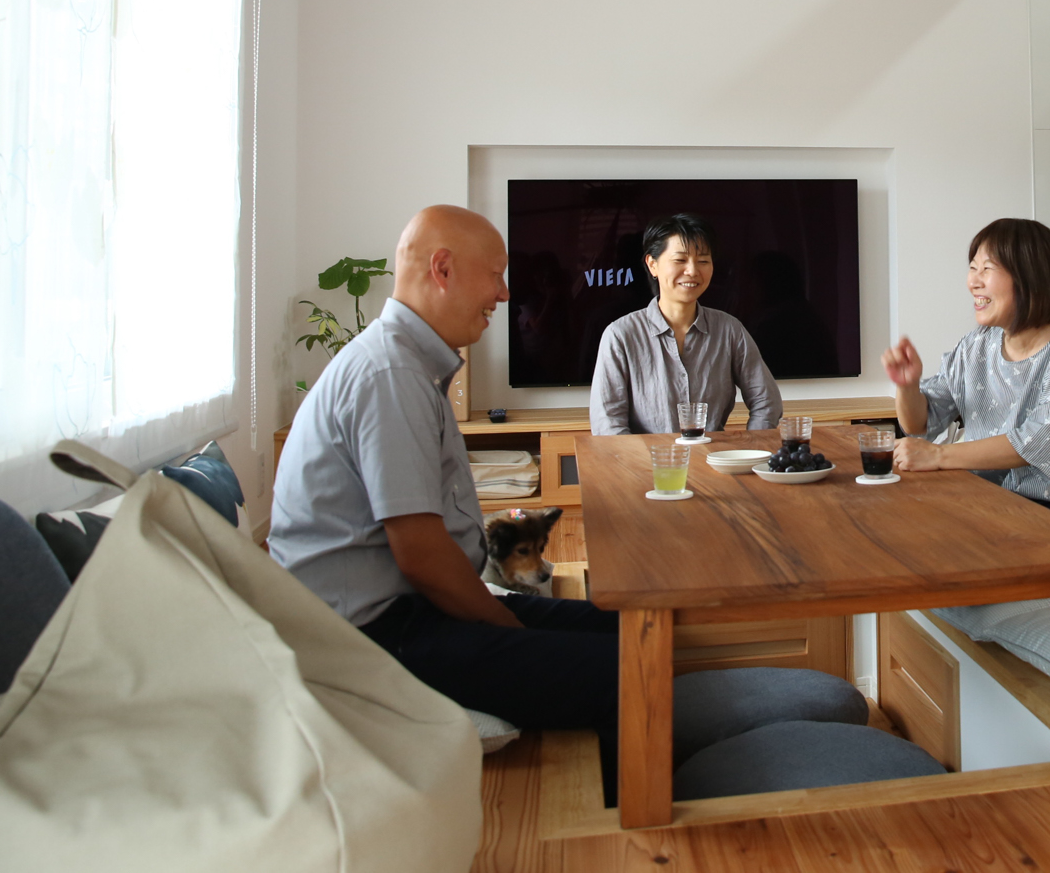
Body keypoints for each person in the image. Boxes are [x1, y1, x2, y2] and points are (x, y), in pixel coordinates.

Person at [270, 205, 619, 733]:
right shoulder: (390, 374)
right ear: (443, 269)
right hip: (372, 635)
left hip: (410, 609)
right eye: (497, 275)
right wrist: (503, 623)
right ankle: (640, 809)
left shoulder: (401, 363)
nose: (504, 294)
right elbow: (420, 552)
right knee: (621, 670)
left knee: (625, 628)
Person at [881, 217, 1050, 546]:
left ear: (1030, 277)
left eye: (986, 269)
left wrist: (938, 456)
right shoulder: (978, 343)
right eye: (972, 268)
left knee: (950, 548)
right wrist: (907, 386)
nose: (973, 282)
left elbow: (1042, 440)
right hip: (1000, 501)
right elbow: (920, 423)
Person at [589, 213, 783, 435]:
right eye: (680, 260)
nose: (692, 271)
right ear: (652, 265)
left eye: (703, 261)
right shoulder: (621, 334)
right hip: (647, 466)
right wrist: (643, 465)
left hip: (715, 464)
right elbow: (608, 422)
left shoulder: (730, 330)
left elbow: (766, 402)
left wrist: (748, 451)